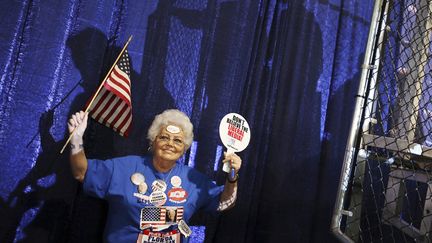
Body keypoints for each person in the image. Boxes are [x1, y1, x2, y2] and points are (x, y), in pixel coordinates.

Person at [68, 109, 241, 243]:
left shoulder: (193, 180)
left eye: (178, 140)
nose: (170, 144)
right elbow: (81, 172)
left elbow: (225, 203)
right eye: (164, 137)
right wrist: (76, 139)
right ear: (153, 140)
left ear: (184, 148)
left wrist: (232, 177)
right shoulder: (124, 167)